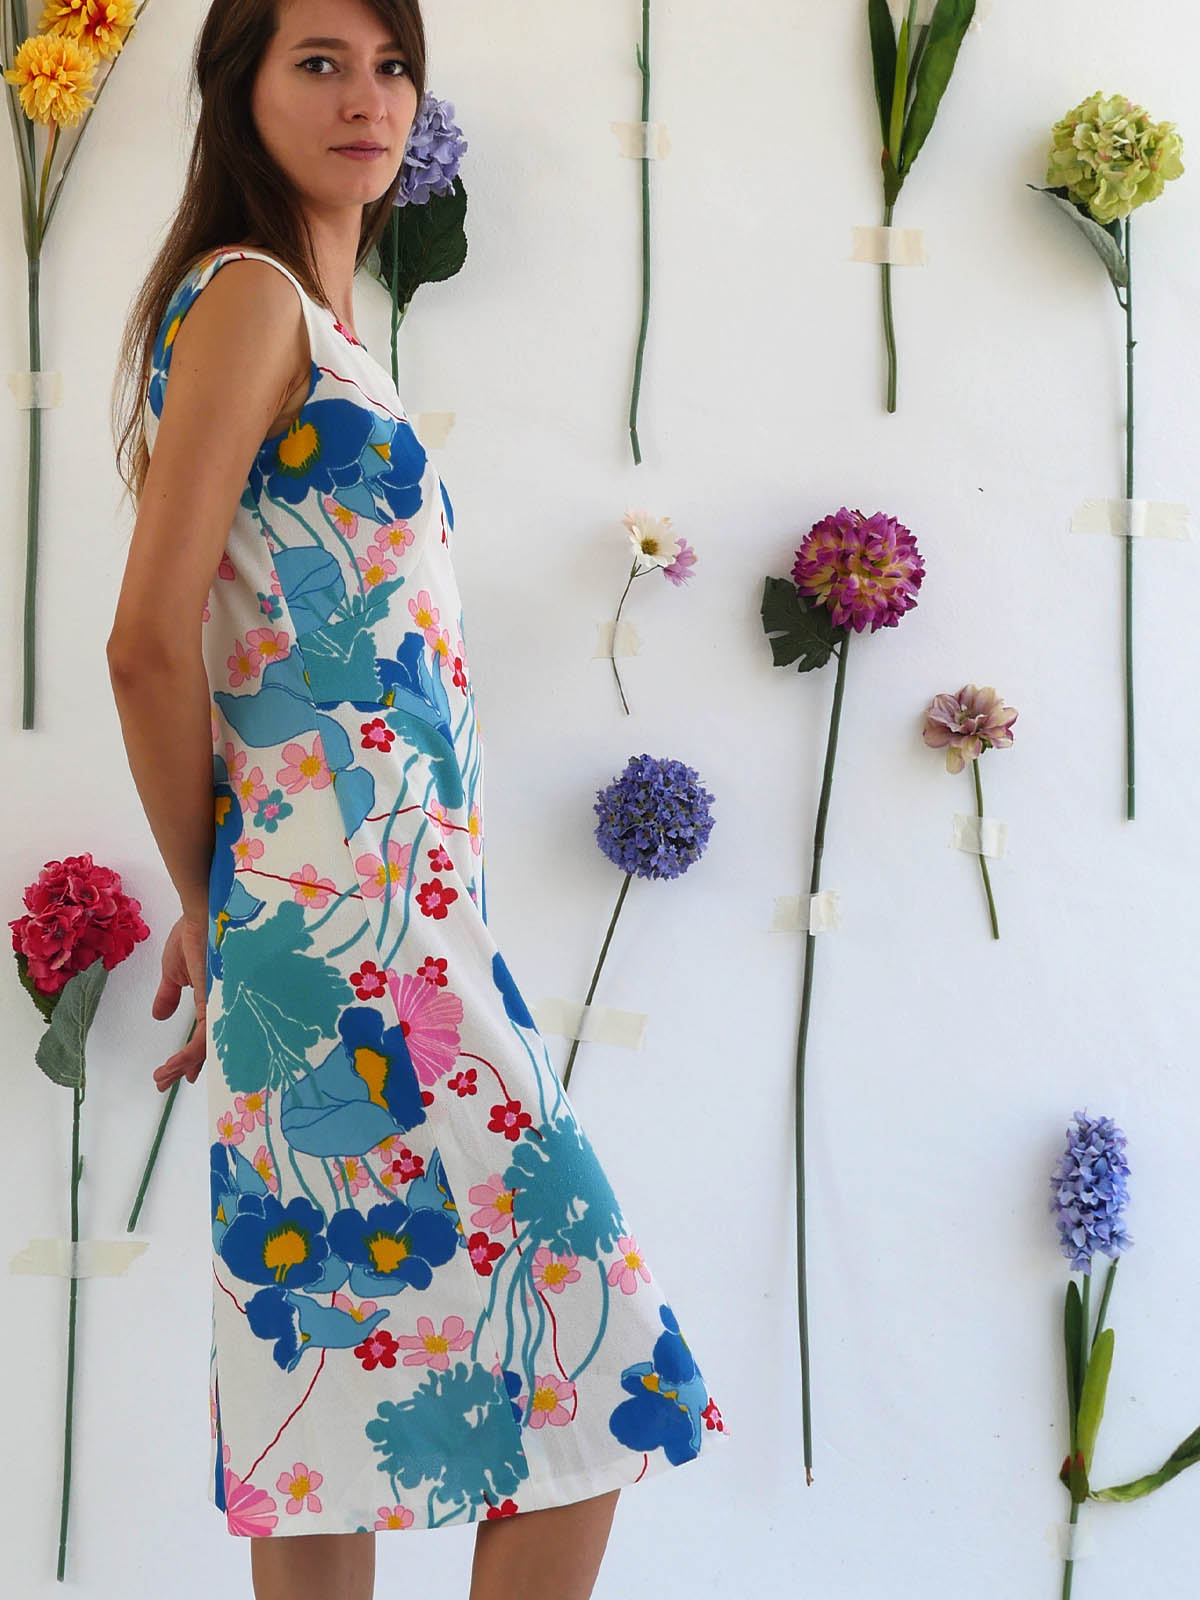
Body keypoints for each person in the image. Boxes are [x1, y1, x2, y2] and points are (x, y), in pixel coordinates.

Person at [106, 3, 730, 1596]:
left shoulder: (320, 322)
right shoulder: (251, 301)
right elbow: (144, 644)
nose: (366, 98)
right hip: (354, 941)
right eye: (318, 62)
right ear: (237, 94)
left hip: (359, 928)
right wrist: (211, 899)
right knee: (602, 1362)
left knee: (324, 1397)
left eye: (391, 67)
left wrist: (232, 908)